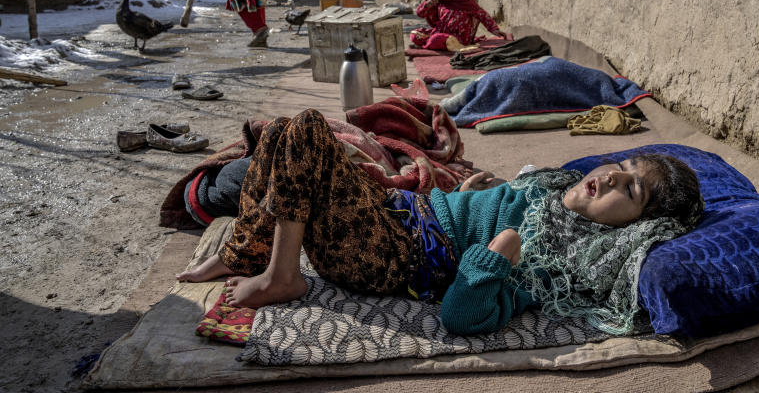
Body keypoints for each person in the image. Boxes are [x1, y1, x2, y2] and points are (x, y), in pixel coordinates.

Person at [178, 109, 703, 336]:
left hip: (392, 254)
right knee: (279, 135)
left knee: (307, 133)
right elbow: (492, 205)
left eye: (630, 190)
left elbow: (461, 314)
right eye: (624, 167)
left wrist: (495, 253)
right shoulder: (549, 191)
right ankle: (243, 253)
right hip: (402, 213)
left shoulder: (554, 261)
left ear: (632, 227)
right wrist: (468, 193)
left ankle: (282, 275)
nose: (612, 176)